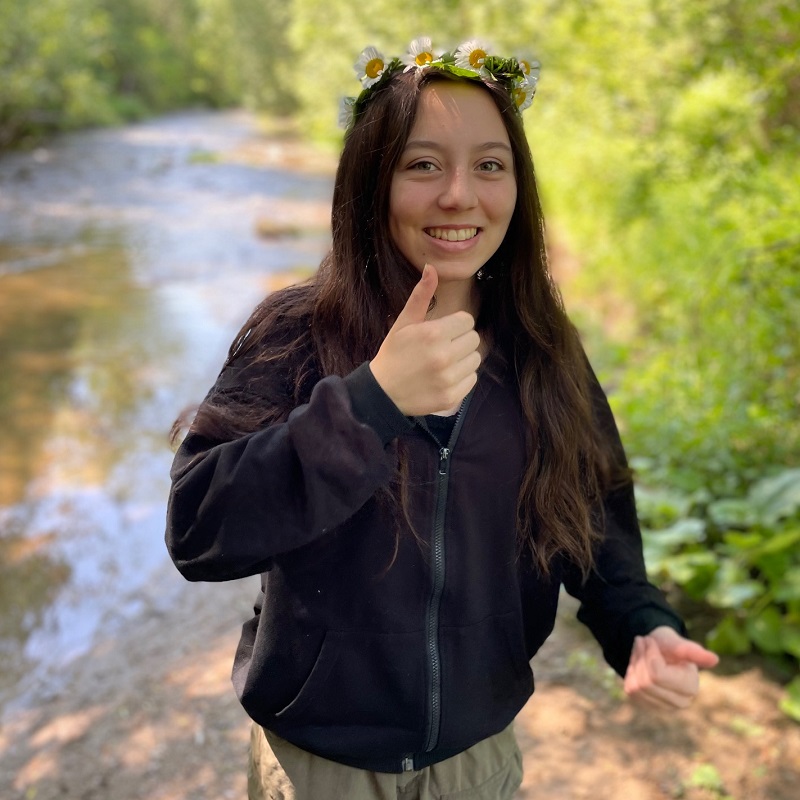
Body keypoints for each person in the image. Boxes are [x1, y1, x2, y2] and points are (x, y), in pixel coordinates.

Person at [165, 37, 719, 800]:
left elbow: (593, 522)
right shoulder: (297, 336)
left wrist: (642, 627)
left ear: (517, 188)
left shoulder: (544, 352)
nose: (460, 195)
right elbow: (198, 530)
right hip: (320, 764)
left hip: (477, 759)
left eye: (490, 165)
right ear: (371, 182)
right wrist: (371, 404)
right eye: (423, 165)